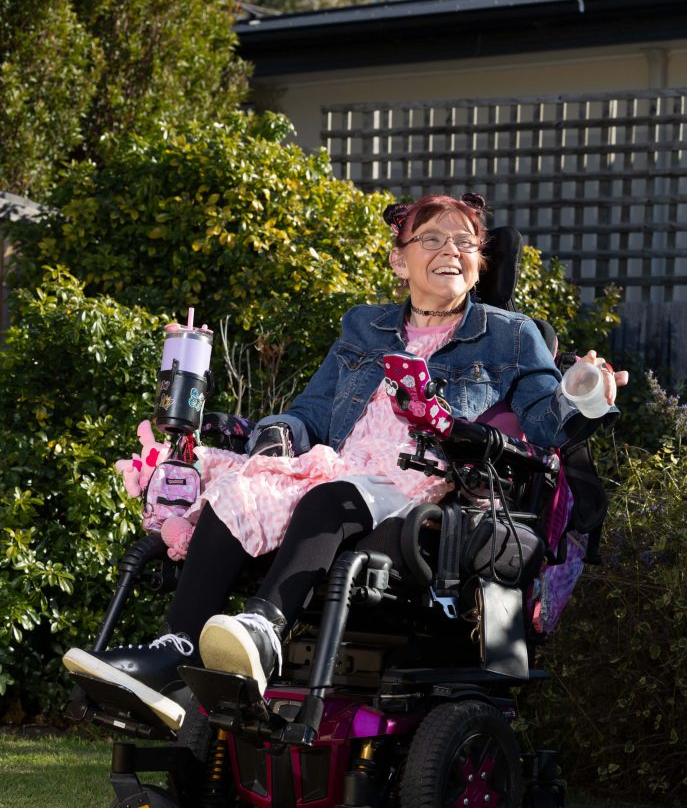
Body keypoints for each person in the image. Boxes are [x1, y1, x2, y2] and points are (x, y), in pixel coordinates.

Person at [63, 193, 628, 728]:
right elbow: (311, 411)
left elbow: (543, 426)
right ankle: (176, 651)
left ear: (479, 265)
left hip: (419, 476)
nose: (449, 250)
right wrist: (277, 438)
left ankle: (263, 629)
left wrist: (584, 391)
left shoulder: (510, 335)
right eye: (431, 239)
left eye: (465, 242)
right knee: (238, 487)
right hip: (336, 462)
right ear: (399, 261)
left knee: (328, 498)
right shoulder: (364, 326)